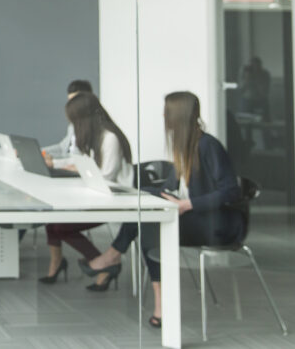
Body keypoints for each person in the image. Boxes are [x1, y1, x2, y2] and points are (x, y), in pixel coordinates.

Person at [82, 91, 243, 329]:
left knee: (148, 222)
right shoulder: (184, 145)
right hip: (194, 216)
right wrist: (159, 194)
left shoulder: (209, 146)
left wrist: (187, 204)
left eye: (166, 112)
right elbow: (174, 186)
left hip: (218, 224)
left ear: (177, 116)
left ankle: (116, 258)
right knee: (146, 210)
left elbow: (231, 191)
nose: (162, 116)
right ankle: (123, 263)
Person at [41, 92, 133, 285]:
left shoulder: (109, 138)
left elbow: (106, 176)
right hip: (97, 196)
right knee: (52, 221)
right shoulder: (95, 136)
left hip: (114, 202)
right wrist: (59, 165)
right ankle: (99, 265)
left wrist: (79, 170)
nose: (73, 127)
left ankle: (103, 264)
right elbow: (86, 166)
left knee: (59, 226)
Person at [42, 79, 92, 159]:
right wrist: (41, 152)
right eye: (70, 101)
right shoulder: (72, 125)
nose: (72, 105)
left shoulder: (91, 127)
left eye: (75, 100)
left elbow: (76, 157)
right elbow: (62, 148)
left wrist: (51, 157)